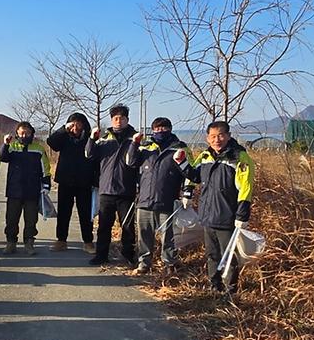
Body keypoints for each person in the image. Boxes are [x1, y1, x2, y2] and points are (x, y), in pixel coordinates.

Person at [174, 120, 255, 293]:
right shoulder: (205, 156)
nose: (216, 140)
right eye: (212, 136)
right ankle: (214, 284)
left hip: (228, 215)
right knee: (212, 254)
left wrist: (242, 215)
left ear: (228, 136)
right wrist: (182, 164)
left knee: (229, 255)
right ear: (207, 138)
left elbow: (245, 188)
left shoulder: (239, 157)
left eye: (220, 135)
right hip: (208, 214)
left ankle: (230, 288)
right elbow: (195, 176)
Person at [125, 117, 193, 275]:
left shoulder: (180, 148)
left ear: (170, 129)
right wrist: (134, 144)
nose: (160, 132)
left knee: (168, 236)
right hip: (144, 200)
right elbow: (130, 162)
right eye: (157, 129)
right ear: (152, 130)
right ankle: (144, 264)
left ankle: (169, 265)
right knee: (144, 234)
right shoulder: (146, 147)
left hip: (167, 200)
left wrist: (187, 192)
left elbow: (190, 171)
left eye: (163, 128)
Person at [85, 104, 139, 266]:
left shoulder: (135, 139)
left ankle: (128, 255)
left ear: (127, 120)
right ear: (111, 120)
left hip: (127, 189)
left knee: (128, 226)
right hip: (106, 189)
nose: (118, 121)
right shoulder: (104, 139)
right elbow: (88, 154)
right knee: (104, 226)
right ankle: (101, 255)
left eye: (122, 118)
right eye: (115, 118)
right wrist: (92, 139)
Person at [46, 113, 97, 254]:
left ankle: (88, 242)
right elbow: (51, 142)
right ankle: (61, 241)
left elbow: (95, 158)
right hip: (65, 180)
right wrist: (64, 129)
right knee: (63, 213)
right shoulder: (64, 138)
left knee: (85, 213)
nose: (75, 127)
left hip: (84, 182)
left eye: (78, 123)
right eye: (72, 124)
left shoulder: (89, 139)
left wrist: (95, 180)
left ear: (83, 125)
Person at [0, 121, 51, 255]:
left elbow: (45, 168)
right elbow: (2, 158)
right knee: (11, 219)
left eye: (27, 133)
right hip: (14, 190)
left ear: (32, 133)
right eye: (22, 132)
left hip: (32, 191)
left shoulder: (38, 149)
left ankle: (29, 242)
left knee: (31, 220)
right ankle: (11, 242)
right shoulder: (12, 146)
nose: (24, 135)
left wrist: (46, 185)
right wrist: (5, 144)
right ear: (17, 133)